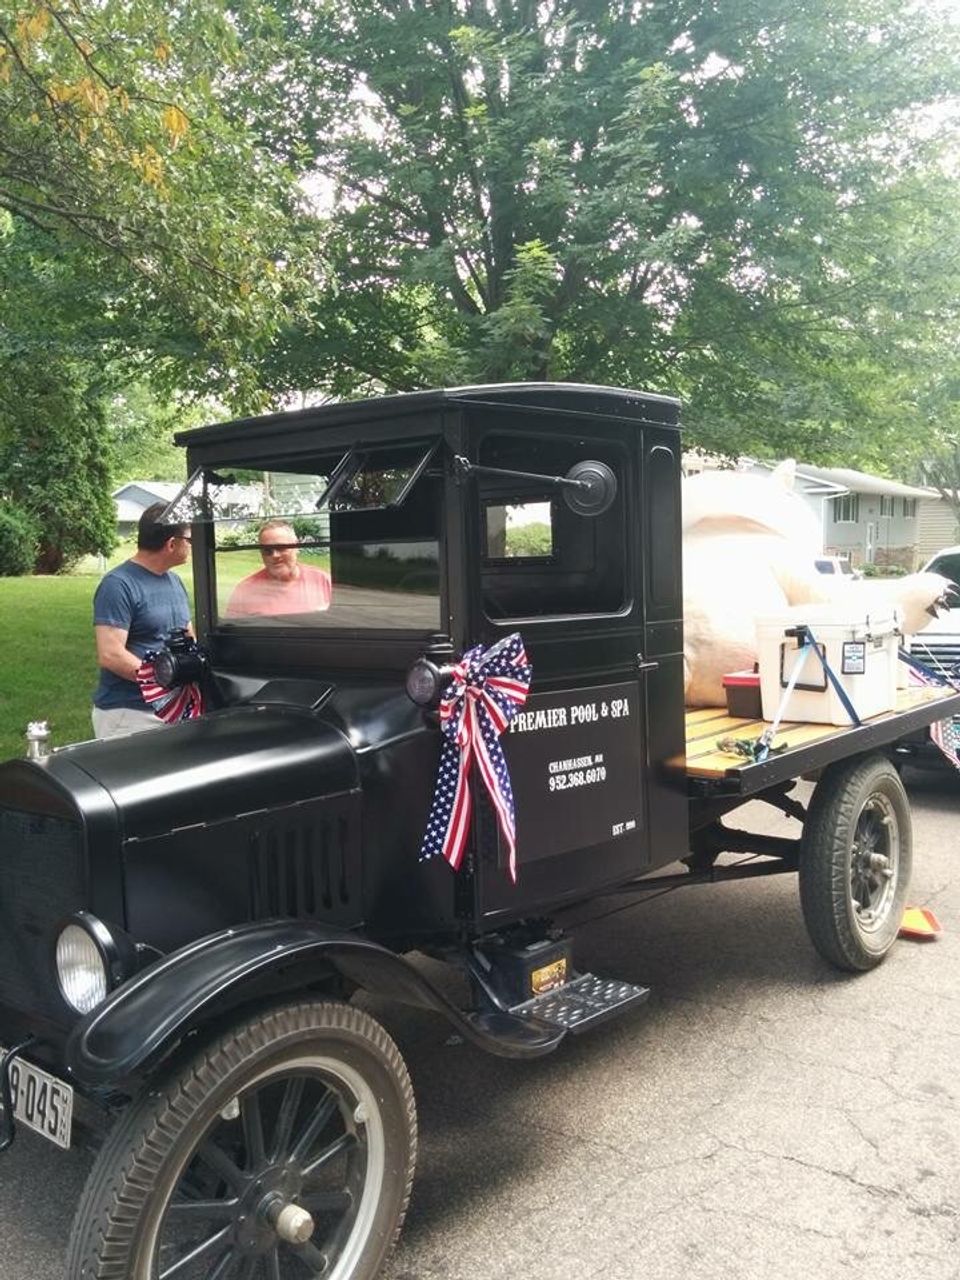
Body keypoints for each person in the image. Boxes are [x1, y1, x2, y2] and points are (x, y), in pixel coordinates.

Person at [92, 502, 193, 738]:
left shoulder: (175, 581)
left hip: (173, 710)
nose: (190, 546)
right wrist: (165, 677)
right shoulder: (118, 585)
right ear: (171, 544)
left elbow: (188, 636)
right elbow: (110, 654)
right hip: (129, 714)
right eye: (189, 540)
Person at [225, 520, 332, 617]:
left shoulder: (323, 581)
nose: (275, 555)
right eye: (267, 550)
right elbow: (231, 634)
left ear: (296, 546)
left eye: (281, 547)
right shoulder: (244, 591)